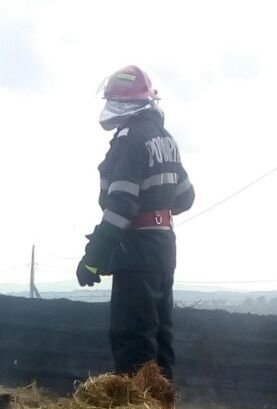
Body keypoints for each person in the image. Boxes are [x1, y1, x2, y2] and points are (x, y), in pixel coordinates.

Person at [76, 65, 195, 381]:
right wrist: (156, 210)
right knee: (160, 337)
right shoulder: (165, 139)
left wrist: (93, 258)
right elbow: (185, 198)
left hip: (137, 251)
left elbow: (120, 207)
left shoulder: (130, 140)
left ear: (121, 103)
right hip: (163, 249)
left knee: (133, 339)